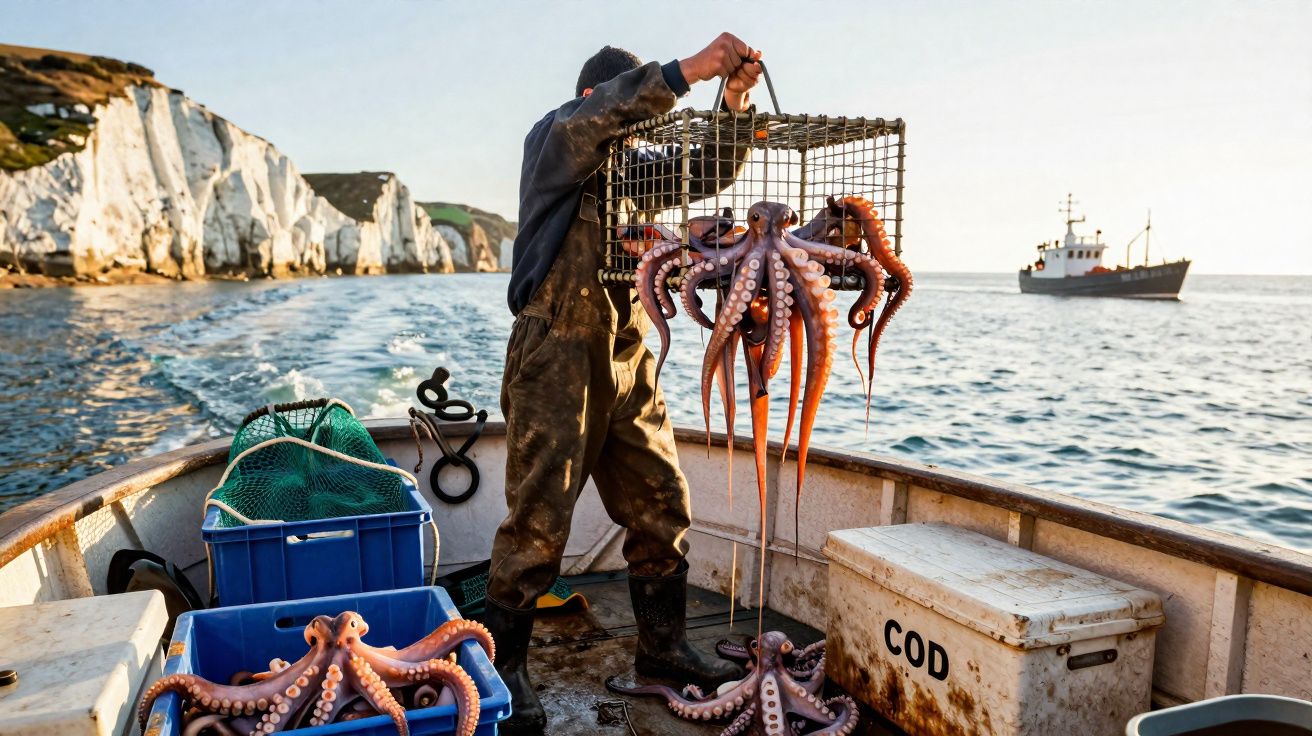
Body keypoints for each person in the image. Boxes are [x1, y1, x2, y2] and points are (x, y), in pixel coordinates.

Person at [486, 34, 763, 733]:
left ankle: (663, 649)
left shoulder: (636, 173)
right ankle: (507, 669)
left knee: (661, 501)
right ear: (599, 100)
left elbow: (704, 171)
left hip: (628, 351)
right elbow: (593, 121)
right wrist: (686, 70)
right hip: (556, 351)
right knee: (538, 520)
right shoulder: (555, 141)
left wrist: (732, 104)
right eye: (631, 118)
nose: (638, 138)